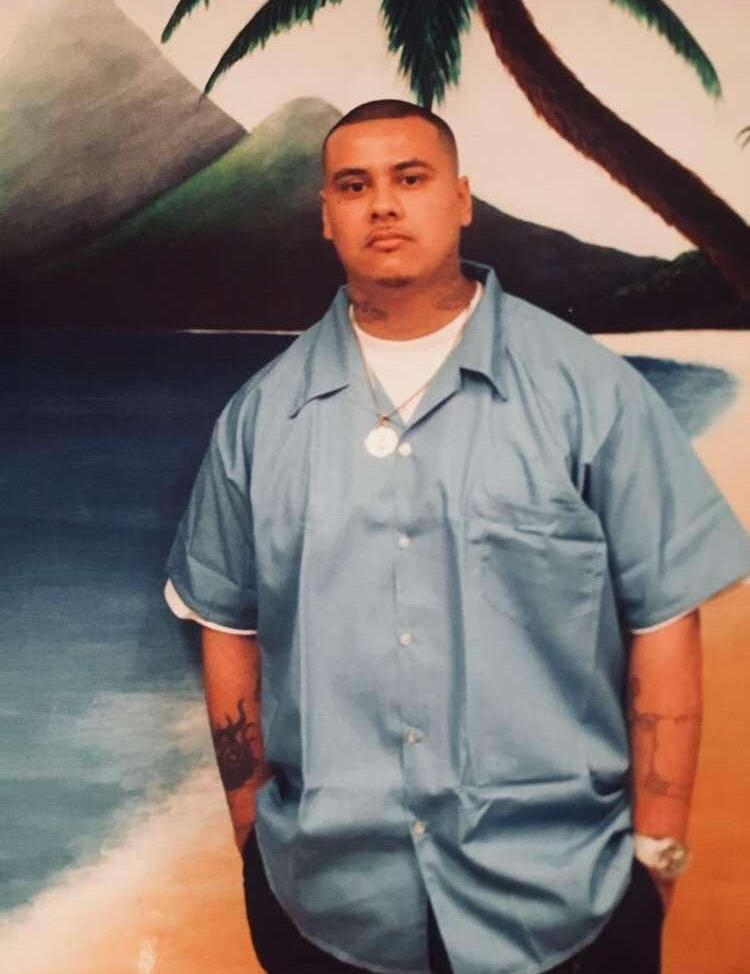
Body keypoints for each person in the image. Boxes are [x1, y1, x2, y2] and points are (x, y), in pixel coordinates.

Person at [164, 100, 750, 974]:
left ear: (462, 198)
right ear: (326, 216)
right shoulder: (261, 419)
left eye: (411, 177)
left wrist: (657, 855)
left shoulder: (589, 391)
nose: (383, 204)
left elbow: (664, 620)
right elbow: (227, 625)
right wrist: (255, 842)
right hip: (328, 906)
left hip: (566, 899)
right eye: (354, 186)